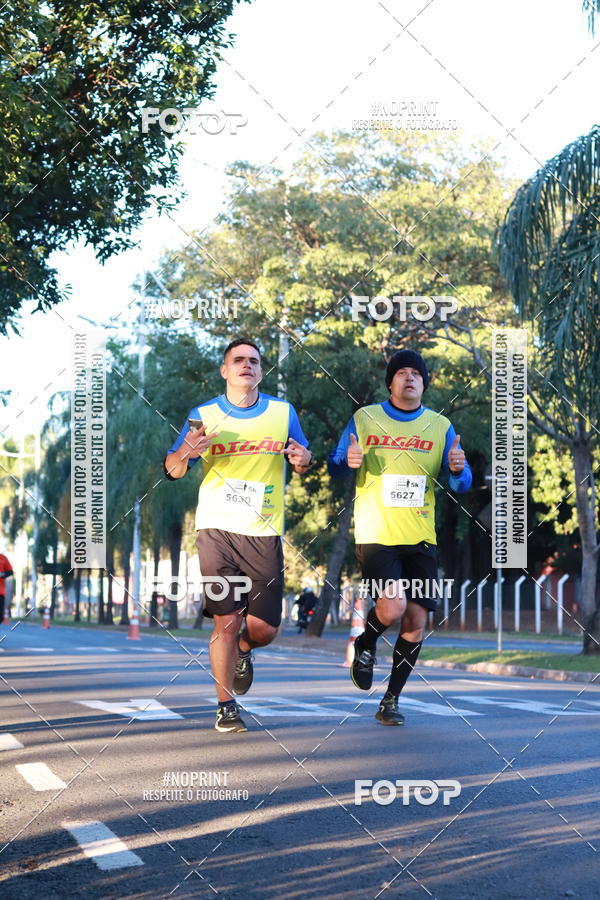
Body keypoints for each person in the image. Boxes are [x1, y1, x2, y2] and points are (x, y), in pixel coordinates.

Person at [164, 338, 313, 733]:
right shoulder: (204, 414)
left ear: (261, 371)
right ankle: (225, 705)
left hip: (263, 532)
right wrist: (186, 452)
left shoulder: (283, 413)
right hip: (216, 530)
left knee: (265, 629)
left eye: (254, 361)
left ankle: (245, 649)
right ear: (225, 371)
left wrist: (303, 460)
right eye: (238, 360)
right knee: (225, 620)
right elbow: (173, 469)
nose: (247, 365)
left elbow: (303, 458)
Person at [328, 349, 472, 726]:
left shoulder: (441, 426)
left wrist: (459, 470)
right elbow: (335, 465)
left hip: (421, 536)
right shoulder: (365, 418)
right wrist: (347, 461)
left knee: (416, 621)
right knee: (392, 607)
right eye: (402, 372)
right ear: (390, 383)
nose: (409, 378)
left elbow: (462, 482)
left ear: (424, 383)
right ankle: (366, 642)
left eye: (416, 373)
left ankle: (390, 699)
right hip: (377, 533)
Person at [0, 551, 14, 623]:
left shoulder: (3, 558)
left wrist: (2, 574)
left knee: (0, 616)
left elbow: (10, 572)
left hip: (0, 592)